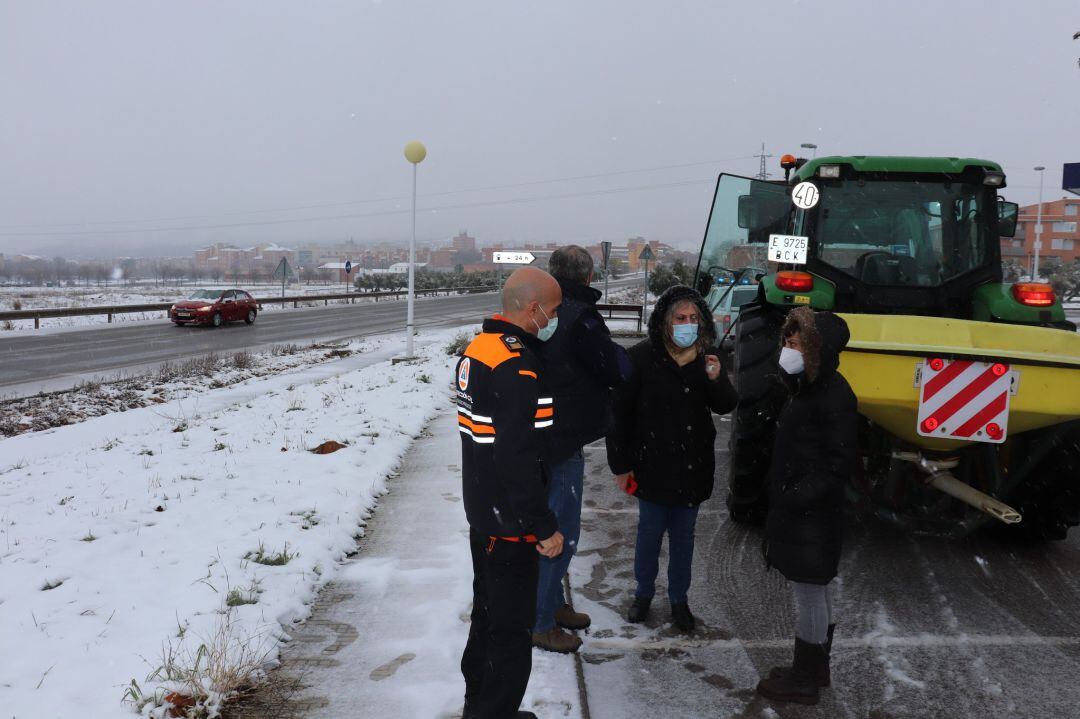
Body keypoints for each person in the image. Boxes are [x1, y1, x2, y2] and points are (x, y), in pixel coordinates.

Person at [457, 266, 566, 719]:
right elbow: (517, 458)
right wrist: (543, 525)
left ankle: (478, 706)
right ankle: (495, 712)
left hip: (484, 513)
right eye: (553, 310)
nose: (554, 318)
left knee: (486, 619)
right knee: (510, 633)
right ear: (532, 308)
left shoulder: (480, 348)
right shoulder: (517, 366)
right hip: (511, 523)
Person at [606, 285, 737, 632]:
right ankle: (643, 593)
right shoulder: (640, 359)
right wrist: (621, 466)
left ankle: (679, 599)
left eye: (693, 318)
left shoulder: (705, 358)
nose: (687, 324)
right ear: (665, 322)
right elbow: (617, 415)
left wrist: (716, 378)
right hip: (651, 466)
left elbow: (725, 404)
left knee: (684, 538)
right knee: (649, 535)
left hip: (692, 467)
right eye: (680, 318)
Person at [756, 306, 858, 706]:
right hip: (808, 512)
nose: (788, 349)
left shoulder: (833, 395)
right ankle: (816, 667)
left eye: (797, 343)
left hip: (812, 515)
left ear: (817, 349)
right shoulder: (812, 387)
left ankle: (804, 678)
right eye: (787, 341)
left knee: (811, 593)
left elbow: (837, 464)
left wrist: (796, 496)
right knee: (816, 589)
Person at [532, 245, 633, 654]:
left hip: (542, 433)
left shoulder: (544, 309)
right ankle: (539, 622)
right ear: (589, 277)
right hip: (563, 437)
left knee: (550, 527)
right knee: (561, 534)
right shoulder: (579, 317)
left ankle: (552, 604)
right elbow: (612, 367)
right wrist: (629, 361)